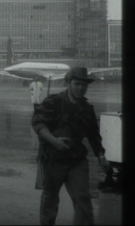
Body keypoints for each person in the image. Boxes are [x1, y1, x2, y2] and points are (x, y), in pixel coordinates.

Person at [32, 67, 112, 225]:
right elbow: (38, 123)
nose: (80, 88)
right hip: (53, 159)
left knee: (83, 197)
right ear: (69, 83)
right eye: (77, 84)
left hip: (76, 159)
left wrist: (101, 156)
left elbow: (93, 135)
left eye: (84, 85)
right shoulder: (53, 101)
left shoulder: (87, 109)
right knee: (50, 198)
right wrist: (54, 140)